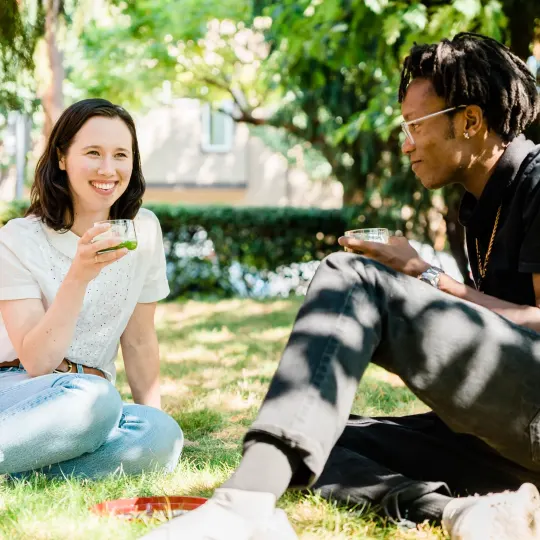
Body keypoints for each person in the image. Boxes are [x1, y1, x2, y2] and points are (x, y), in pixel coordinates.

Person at [141, 33, 540, 540]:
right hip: (507, 444)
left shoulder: (537, 184)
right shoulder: (478, 206)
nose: (406, 144)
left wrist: (424, 275)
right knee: (316, 439)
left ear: (470, 121)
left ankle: (244, 504)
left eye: (415, 126)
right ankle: (462, 513)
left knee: (351, 276)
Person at [0, 98, 183, 479]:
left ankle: (19, 469)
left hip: (89, 407)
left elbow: (139, 341)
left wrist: (150, 413)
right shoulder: (18, 239)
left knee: (161, 434)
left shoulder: (143, 230)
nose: (108, 169)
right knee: (94, 400)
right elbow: (37, 362)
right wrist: (78, 275)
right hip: (21, 390)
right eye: (93, 153)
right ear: (62, 157)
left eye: (121, 155)